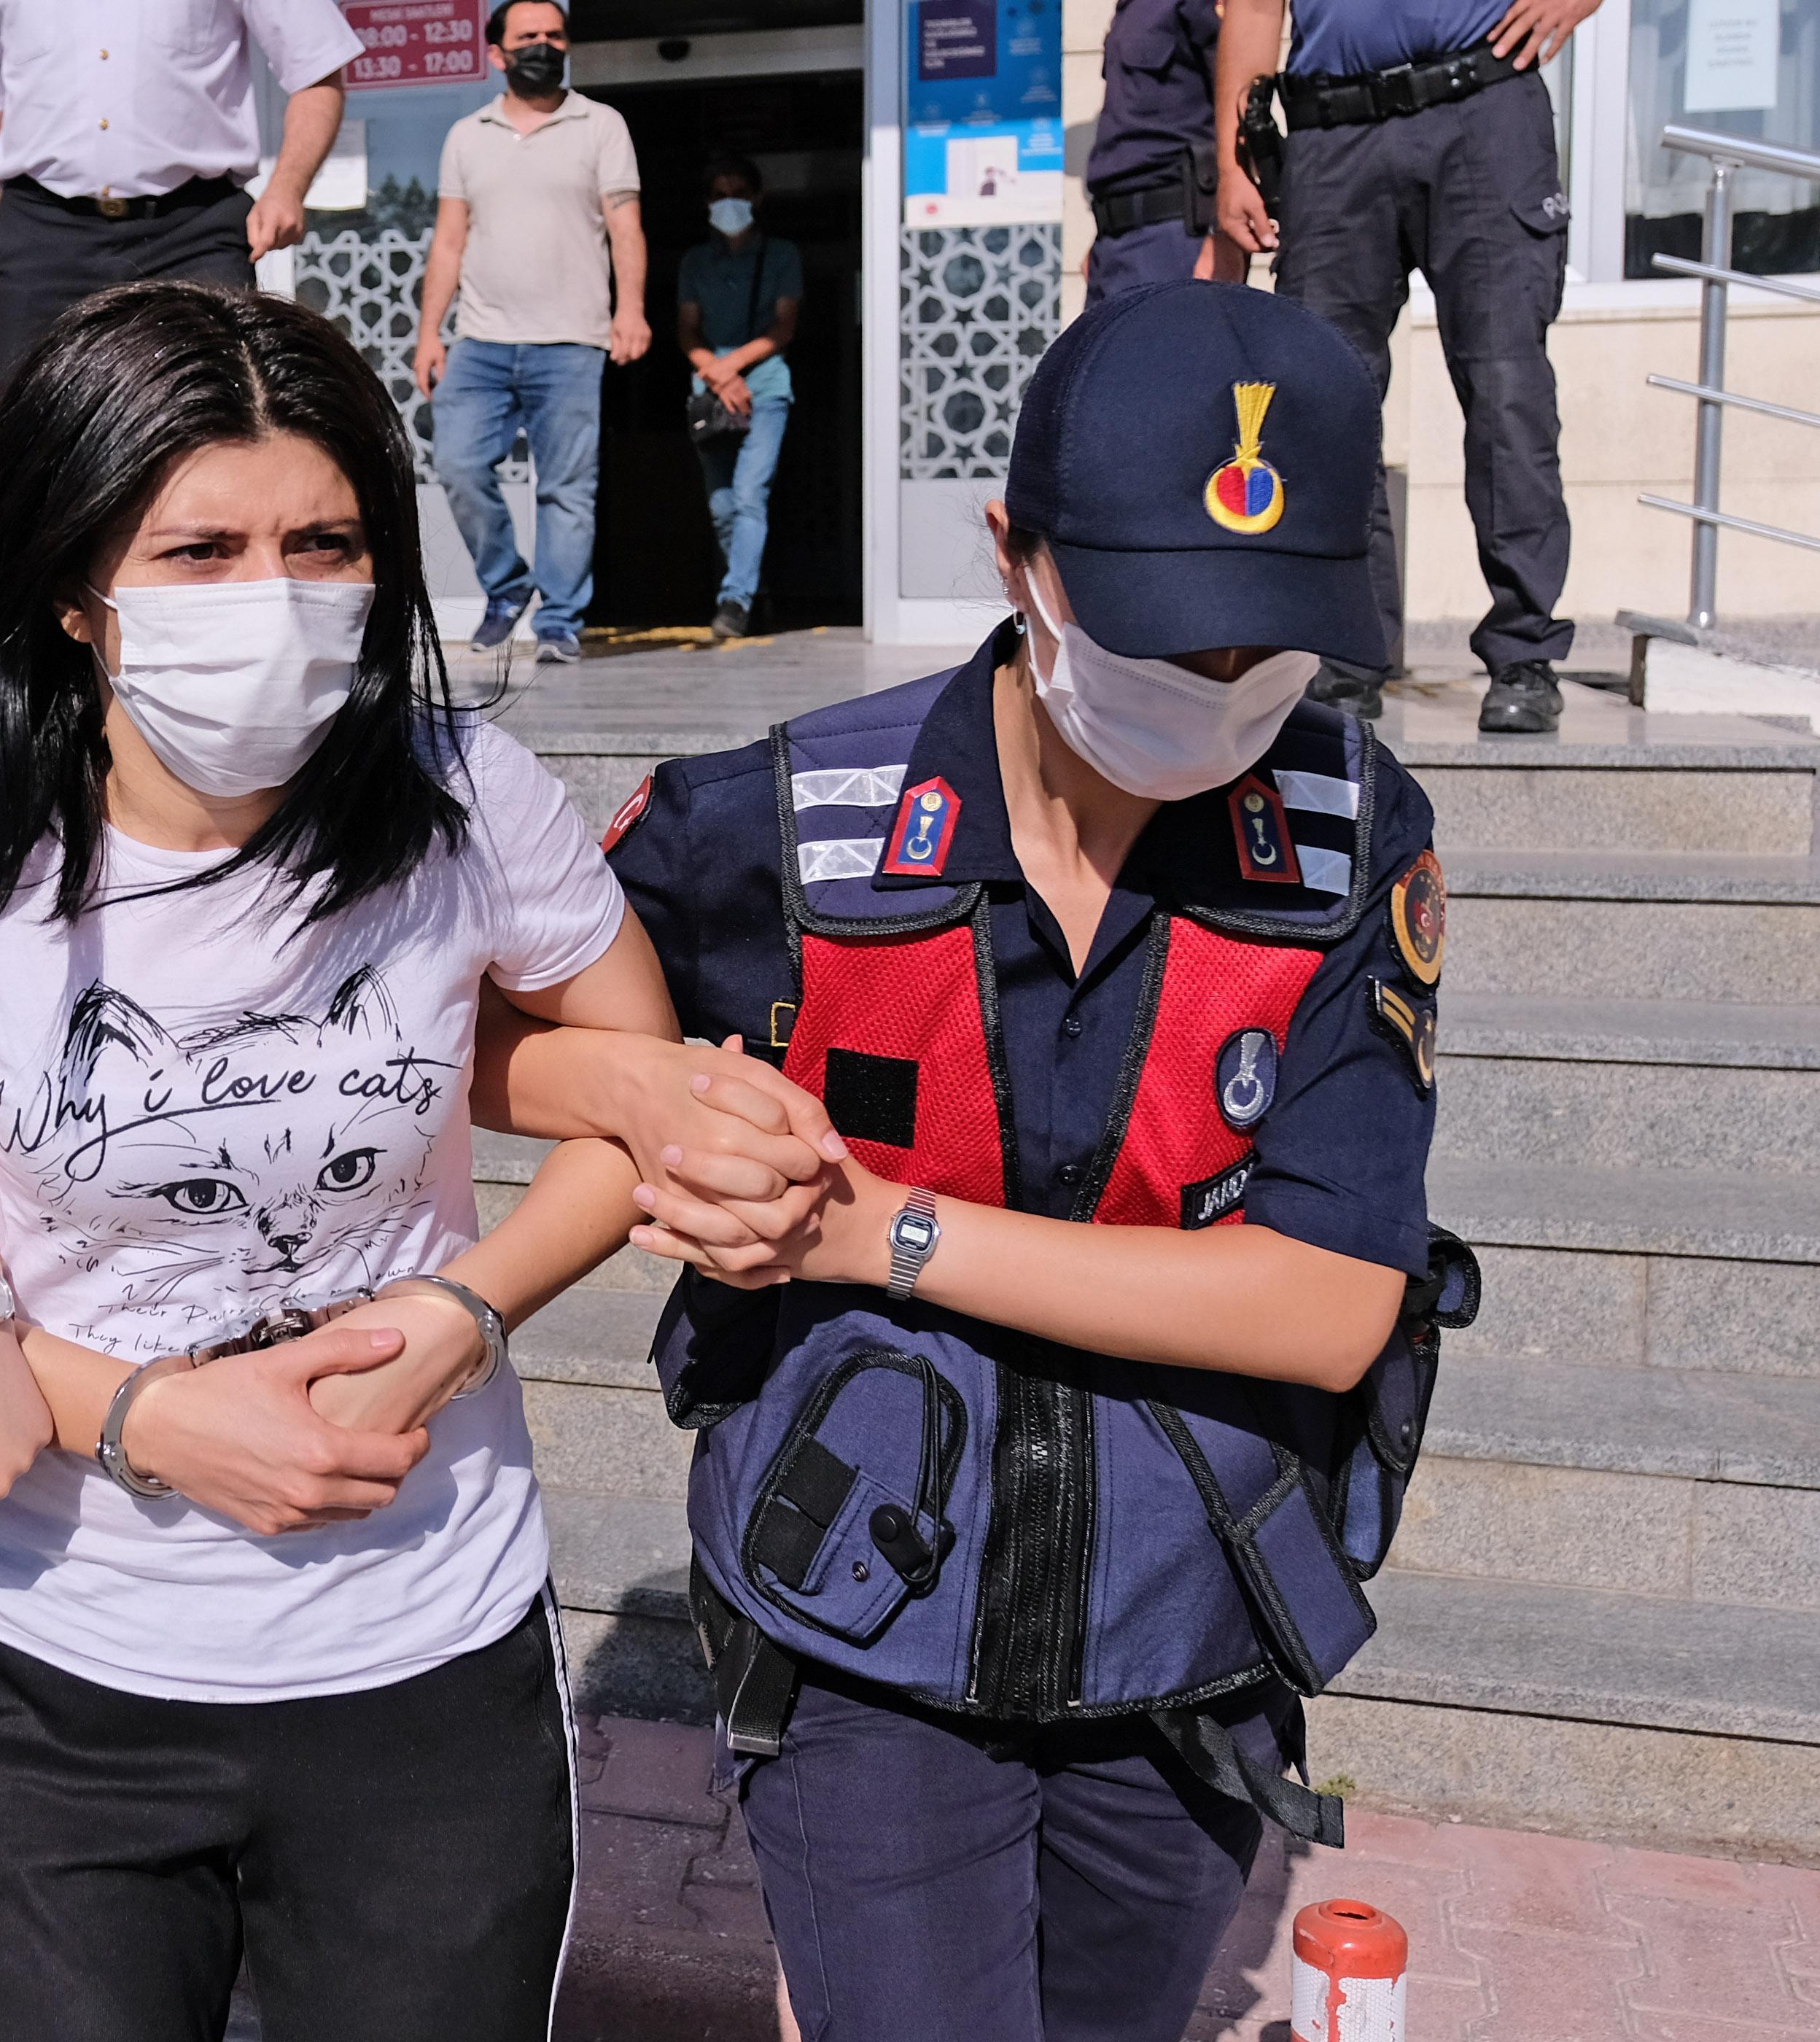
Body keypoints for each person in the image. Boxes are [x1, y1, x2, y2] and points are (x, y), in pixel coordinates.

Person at [0, 282, 833, 2042]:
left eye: (323, 544)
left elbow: (635, 1103)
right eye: (200, 551)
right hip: (60, 1662)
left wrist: (468, 1311)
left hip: (430, 1648)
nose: (276, 601)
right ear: (75, 583)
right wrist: (130, 1415)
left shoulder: (467, 797)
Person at [578, 281, 1471, 2039]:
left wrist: (881, 1237)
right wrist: (663, 1110)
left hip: (1188, 1622)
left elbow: (1322, 1305)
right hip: (864, 1622)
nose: (1219, 691)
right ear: (1014, 557)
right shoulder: (785, 820)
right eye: (1159, 634)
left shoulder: (1351, 836)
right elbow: (488, 1025)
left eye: (1263, 643)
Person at [1216, 0, 1600, 732]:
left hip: (1481, 111)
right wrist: (1235, 160)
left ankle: (1522, 655)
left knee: (1504, 391)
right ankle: (1342, 657)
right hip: (1329, 134)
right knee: (1321, 402)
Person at [0, 0, 368, 389]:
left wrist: (286, 188)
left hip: (191, 236)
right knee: (37, 453)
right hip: (41, 243)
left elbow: (319, 72)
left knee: (207, 432)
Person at [413, 0, 650, 663]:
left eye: (554, 34)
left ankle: (560, 623)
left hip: (572, 339)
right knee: (458, 464)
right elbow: (450, 242)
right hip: (481, 342)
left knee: (568, 487)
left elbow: (625, 227)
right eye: (528, 37)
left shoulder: (601, 126)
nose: (543, 45)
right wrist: (431, 333)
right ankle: (507, 587)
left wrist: (629, 310)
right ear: (498, 54)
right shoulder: (468, 135)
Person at [676, 156, 801, 641]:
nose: (728, 203)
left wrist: (732, 367)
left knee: (751, 495)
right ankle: (752, 585)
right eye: (719, 194)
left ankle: (736, 600)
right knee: (724, 506)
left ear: (756, 199)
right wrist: (718, 373)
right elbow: (687, 331)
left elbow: (784, 326)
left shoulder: (781, 255)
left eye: (737, 193)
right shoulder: (694, 262)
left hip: (764, 389)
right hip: (711, 394)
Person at [1086, 0, 1245, 296]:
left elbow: (1239, 107)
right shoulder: (1130, 8)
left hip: (1177, 237)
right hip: (1114, 246)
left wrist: (1224, 237)